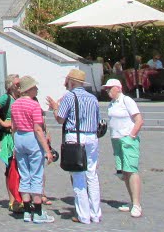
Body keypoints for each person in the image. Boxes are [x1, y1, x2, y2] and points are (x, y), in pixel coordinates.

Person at [47, 68, 102, 224]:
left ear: (70, 82)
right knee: (92, 175)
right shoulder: (93, 98)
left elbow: (60, 119)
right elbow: (98, 120)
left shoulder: (69, 97)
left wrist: (54, 107)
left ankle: (83, 215)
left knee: (78, 176)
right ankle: (95, 213)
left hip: (76, 137)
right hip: (92, 137)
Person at [11, 76, 55, 224]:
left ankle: (27, 210)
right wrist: (47, 149)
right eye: (35, 87)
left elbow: (13, 126)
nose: (37, 89)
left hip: (19, 137)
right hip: (31, 138)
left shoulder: (15, 104)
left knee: (24, 175)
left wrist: (15, 144)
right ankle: (38, 211)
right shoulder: (34, 105)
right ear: (29, 89)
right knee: (36, 174)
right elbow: (37, 128)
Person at [103, 78, 144, 218]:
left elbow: (139, 120)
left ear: (118, 88)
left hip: (127, 138)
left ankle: (137, 204)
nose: (107, 91)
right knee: (123, 173)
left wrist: (131, 136)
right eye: (106, 89)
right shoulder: (111, 104)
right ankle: (132, 201)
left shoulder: (127, 100)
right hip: (116, 139)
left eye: (110, 88)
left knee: (131, 170)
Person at [0, 73, 22, 213]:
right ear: (11, 86)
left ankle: (20, 197)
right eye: (17, 84)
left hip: (20, 135)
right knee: (10, 169)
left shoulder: (21, 98)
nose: (20, 87)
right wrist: (2, 122)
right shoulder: (6, 98)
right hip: (9, 137)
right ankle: (12, 200)